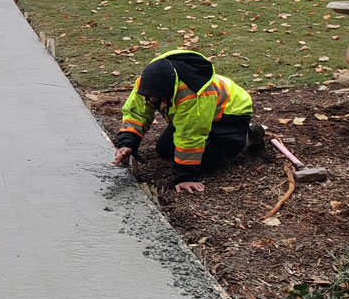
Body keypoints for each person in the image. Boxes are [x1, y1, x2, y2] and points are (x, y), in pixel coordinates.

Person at [111, 49, 263, 194]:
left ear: (170, 91)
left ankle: (248, 135)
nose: (150, 100)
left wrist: (184, 177)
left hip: (231, 113)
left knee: (205, 164)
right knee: (164, 150)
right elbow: (136, 113)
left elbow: (190, 135)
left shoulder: (193, 94)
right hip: (203, 113)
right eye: (148, 96)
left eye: (155, 98)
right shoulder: (147, 83)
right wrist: (127, 143)